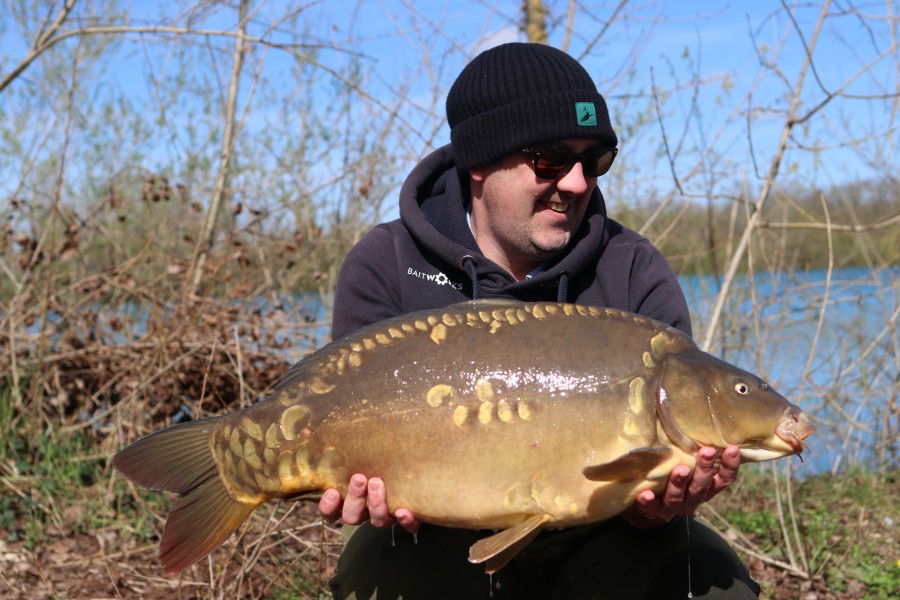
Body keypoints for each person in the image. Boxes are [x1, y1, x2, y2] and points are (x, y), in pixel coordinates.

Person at [319, 42, 760, 599]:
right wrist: (361, 491)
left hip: (601, 534)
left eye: (594, 160)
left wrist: (658, 509)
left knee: (715, 585)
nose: (576, 182)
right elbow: (348, 435)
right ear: (479, 161)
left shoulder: (633, 270)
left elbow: (649, 489)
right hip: (434, 535)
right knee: (374, 578)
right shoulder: (386, 264)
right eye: (550, 159)